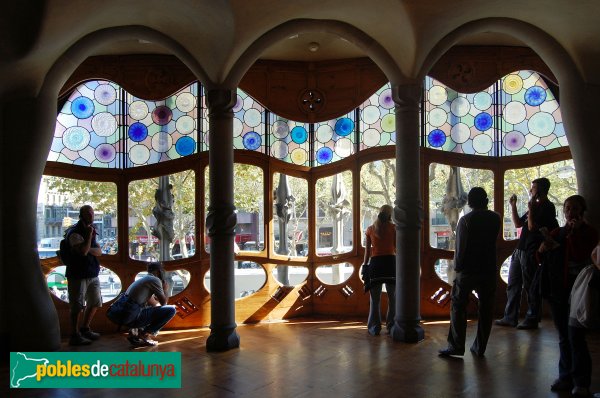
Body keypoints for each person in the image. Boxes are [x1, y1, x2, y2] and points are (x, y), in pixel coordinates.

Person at [537, 195, 598, 395]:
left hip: (580, 291)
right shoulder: (558, 232)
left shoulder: (589, 233)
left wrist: (574, 234)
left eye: (574, 208)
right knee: (564, 335)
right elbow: (540, 256)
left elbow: (582, 254)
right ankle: (566, 377)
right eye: (567, 208)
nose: (570, 212)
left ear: (582, 211)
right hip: (559, 290)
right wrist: (543, 248)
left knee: (576, 336)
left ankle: (581, 381)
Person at [438, 187, 501, 357]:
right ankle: (480, 347)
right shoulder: (496, 218)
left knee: (458, 306)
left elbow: (461, 248)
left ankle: (456, 346)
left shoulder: (466, 220)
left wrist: (457, 268)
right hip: (488, 269)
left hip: (468, 270)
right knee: (486, 309)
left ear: (471, 202)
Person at [495, 177, 558, 329]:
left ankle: (532, 318)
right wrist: (513, 206)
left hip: (531, 251)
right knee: (513, 284)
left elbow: (531, 227)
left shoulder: (547, 207)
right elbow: (518, 224)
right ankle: (510, 317)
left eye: (533, 187)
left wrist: (531, 210)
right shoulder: (534, 207)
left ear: (541, 190)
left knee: (531, 287)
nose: (530, 190)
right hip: (520, 249)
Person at [65, 205, 103, 346]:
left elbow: (98, 251)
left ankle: (85, 328)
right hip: (77, 274)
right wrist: (88, 238)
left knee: (94, 301)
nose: (91, 215)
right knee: (77, 306)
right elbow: (82, 251)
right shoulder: (74, 233)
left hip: (92, 273)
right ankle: (74, 335)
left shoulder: (91, 230)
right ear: (81, 215)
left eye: (92, 212)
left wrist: (88, 248)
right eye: (88, 213)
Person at [125, 262, 177, 347]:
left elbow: (154, 304)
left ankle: (135, 334)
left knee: (149, 308)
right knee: (171, 310)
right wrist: (165, 290)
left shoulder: (144, 279)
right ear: (158, 271)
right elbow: (164, 303)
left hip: (127, 316)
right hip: (134, 317)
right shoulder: (154, 280)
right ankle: (145, 334)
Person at [363, 204, 396, 336]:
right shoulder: (394, 228)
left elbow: (367, 251)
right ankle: (392, 325)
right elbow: (397, 248)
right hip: (390, 264)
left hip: (375, 265)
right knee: (393, 298)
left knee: (374, 299)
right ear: (390, 215)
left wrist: (365, 265)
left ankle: (374, 327)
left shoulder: (370, 229)